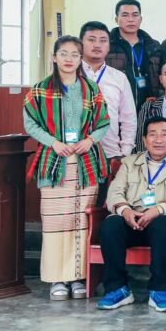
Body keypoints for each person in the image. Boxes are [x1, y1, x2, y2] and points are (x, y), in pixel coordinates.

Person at [23, 35, 111, 301]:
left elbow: (103, 122)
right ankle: (57, 279)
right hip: (54, 164)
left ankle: (79, 277)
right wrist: (53, 143)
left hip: (86, 165)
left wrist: (89, 140)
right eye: (64, 54)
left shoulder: (91, 89)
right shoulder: (40, 90)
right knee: (55, 223)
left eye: (74, 54)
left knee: (81, 223)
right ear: (54, 57)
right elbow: (30, 123)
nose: (69, 59)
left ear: (80, 58)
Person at [98, 117, 166, 312]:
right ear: (144, 139)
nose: (158, 140)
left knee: (163, 225)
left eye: (164, 135)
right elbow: (115, 192)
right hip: (131, 220)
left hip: (163, 220)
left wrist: (156, 210)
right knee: (110, 226)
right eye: (153, 135)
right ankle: (118, 289)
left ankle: (159, 289)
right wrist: (126, 211)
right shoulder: (129, 163)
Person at [80, 21, 137, 160]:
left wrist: (125, 152)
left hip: (110, 153)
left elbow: (128, 117)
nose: (97, 45)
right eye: (91, 40)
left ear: (109, 46)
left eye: (103, 40)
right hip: (75, 153)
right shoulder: (70, 74)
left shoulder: (119, 78)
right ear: (80, 43)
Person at [107, 0, 162, 105]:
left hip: (149, 105)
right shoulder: (108, 45)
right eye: (125, 15)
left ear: (140, 19)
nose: (131, 19)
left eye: (135, 15)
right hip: (117, 104)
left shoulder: (153, 46)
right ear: (116, 19)